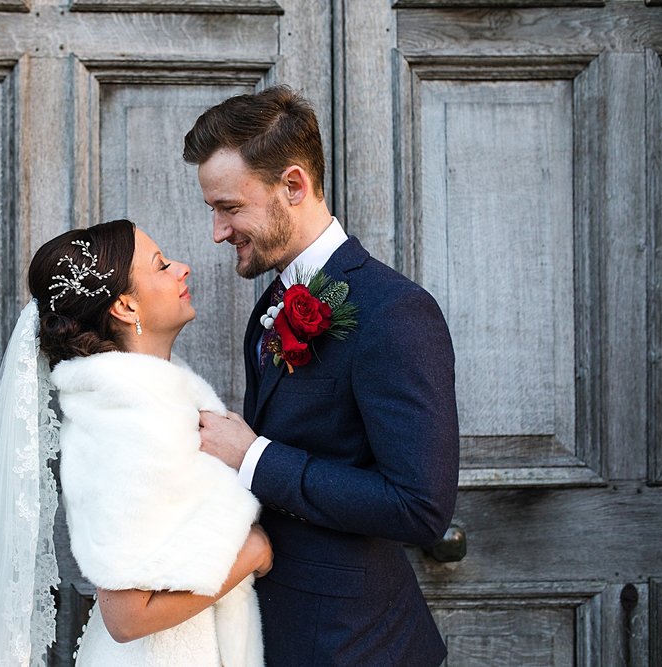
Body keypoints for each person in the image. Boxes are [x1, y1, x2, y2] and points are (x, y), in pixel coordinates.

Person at [182, 85, 460, 666]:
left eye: (229, 207)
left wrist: (253, 456)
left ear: (293, 186)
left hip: (354, 641)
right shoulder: (270, 308)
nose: (217, 231)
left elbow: (419, 506)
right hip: (277, 627)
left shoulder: (395, 313)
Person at [0, 219, 271, 667]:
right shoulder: (127, 422)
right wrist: (253, 552)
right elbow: (126, 616)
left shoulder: (147, 401)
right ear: (126, 306)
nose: (183, 268)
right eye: (162, 265)